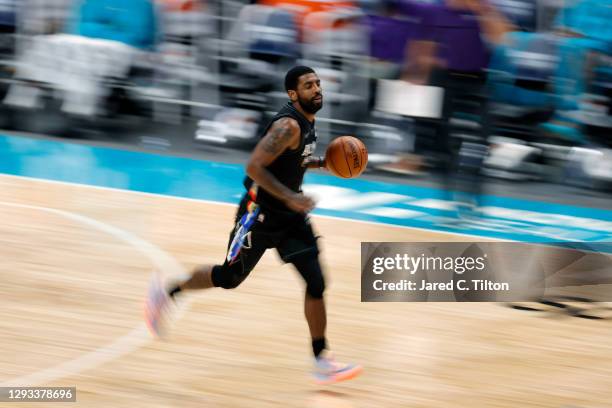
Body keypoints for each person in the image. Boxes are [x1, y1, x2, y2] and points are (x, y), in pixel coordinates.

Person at [145, 66, 363, 385]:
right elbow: (254, 166)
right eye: (308, 85)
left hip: (290, 216)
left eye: (318, 84)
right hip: (258, 214)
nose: (317, 89)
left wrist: (325, 163)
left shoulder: (309, 123)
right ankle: (168, 291)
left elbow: (293, 160)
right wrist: (290, 196)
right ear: (293, 94)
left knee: (316, 282)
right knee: (229, 277)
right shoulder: (288, 125)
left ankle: (321, 360)